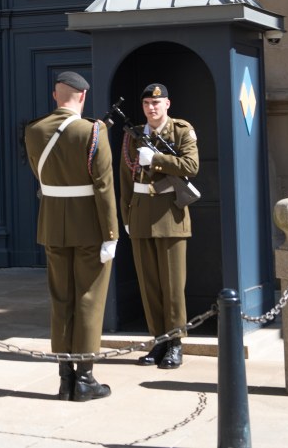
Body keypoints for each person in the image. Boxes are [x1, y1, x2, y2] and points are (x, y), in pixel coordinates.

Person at [24, 70, 118, 401]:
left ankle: (65, 379)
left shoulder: (34, 130)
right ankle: (85, 379)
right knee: (89, 298)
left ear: (55, 96)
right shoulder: (93, 131)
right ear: (83, 96)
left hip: (52, 224)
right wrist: (111, 233)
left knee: (61, 299)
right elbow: (104, 187)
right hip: (90, 226)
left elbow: (40, 175)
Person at [119, 82, 200, 369]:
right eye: (146, 104)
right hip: (141, 215)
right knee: (149, 284)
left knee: (172, 285)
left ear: (167, 104)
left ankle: (175, 343)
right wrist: (127, 218)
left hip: (169, 214)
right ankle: (159, 340)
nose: (151, 108)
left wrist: (156, 159)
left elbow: (191, 166)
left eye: (156, 103)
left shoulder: (181, 131)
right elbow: (125, 180)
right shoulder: (133, 135)